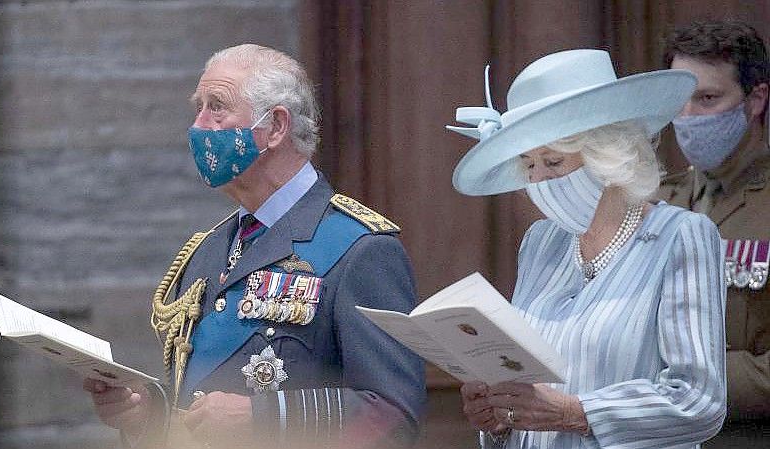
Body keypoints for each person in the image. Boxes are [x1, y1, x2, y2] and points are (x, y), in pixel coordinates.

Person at [83, 43, 426, 449]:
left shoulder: (359, 248)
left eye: (217, 107)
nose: (200, 125)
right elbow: (200, 401)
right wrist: (146, 416)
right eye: (199, 107)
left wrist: (263, 418)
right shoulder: (207, 250)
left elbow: (391, 416)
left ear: (276, 127)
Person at [447, 49, 726, 448]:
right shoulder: (541, 243)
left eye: (554, 163)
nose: (539, 180)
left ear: (607, 157)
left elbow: (699, 401)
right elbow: (531, 390)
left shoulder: (681, 237)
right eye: (529, 165)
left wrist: (576, 413)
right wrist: (499, 416)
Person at [657, 20, 770, 446]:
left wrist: (684, 378)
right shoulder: (655, 201)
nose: (687, 118)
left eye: (707, 99)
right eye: (679, 100)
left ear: (755, 99)